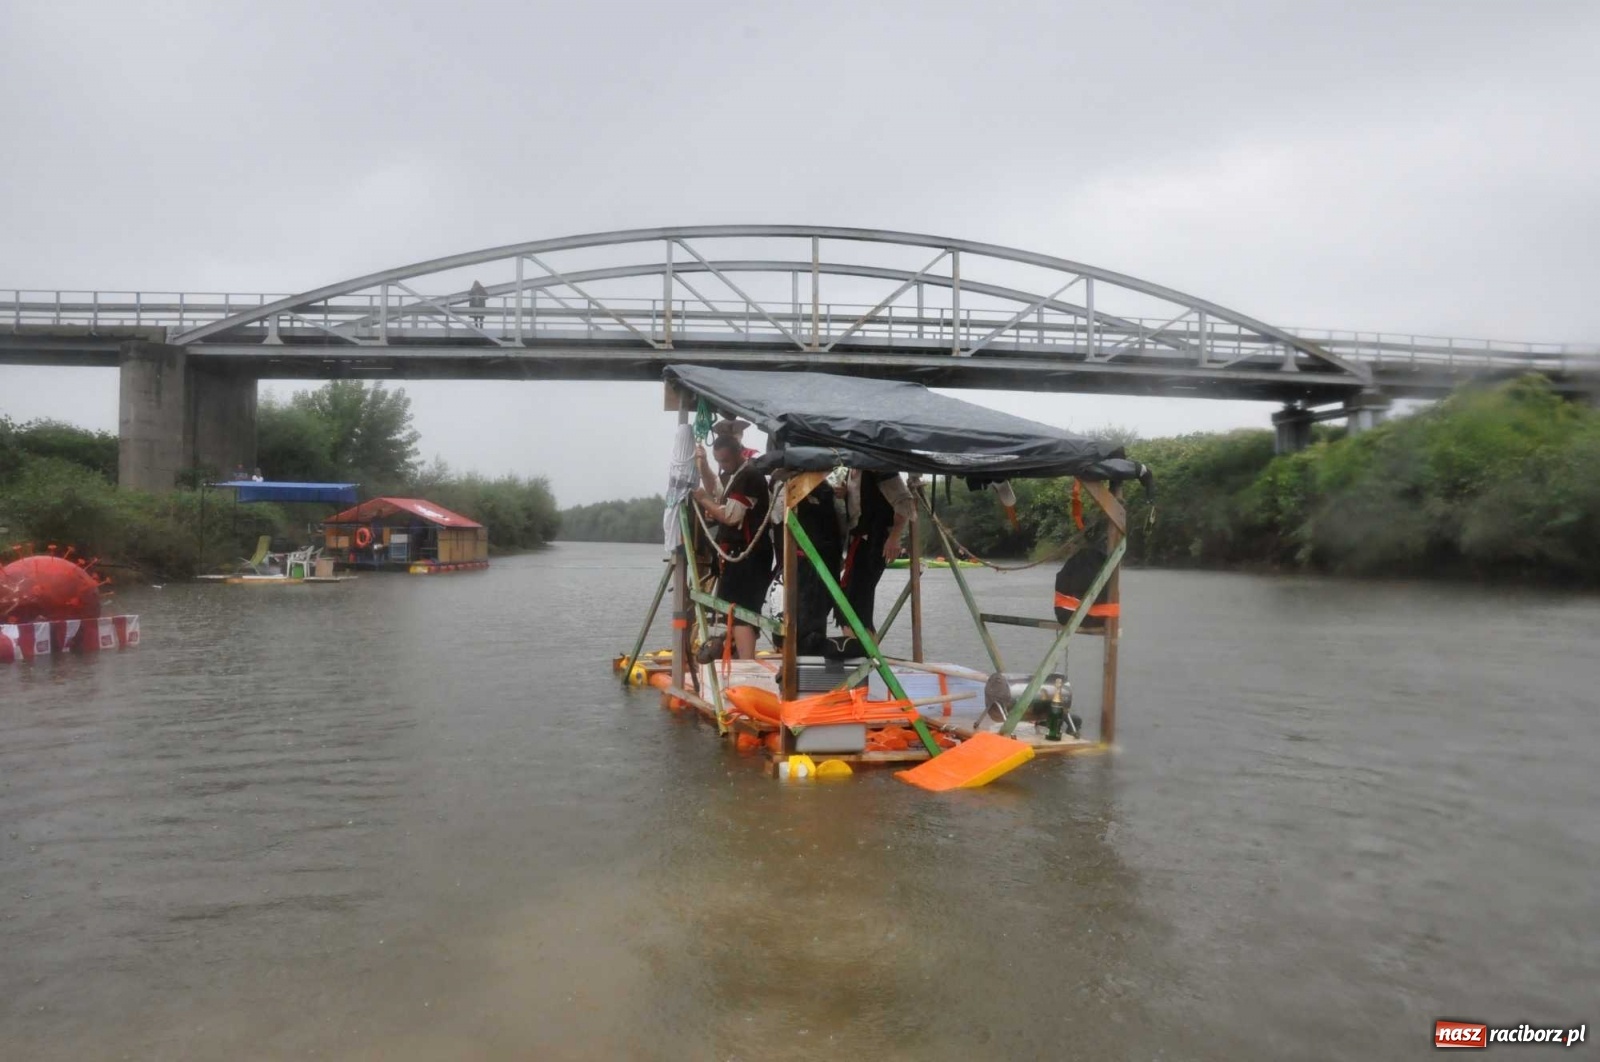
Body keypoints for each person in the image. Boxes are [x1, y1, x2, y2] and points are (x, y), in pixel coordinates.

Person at [693, 434, 773, 660]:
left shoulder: (749, 477)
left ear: (739, 453)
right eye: (718, 462)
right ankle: (740, 656)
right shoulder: (735, 475)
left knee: (742, 611)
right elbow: (717, 489)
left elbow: (731, 516)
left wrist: (702, 499)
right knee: (734, 608)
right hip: (737, 555)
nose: (722, 466)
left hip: (750, 555)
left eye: (725, 461)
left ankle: (746, 663)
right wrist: (705, 466)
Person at [839, 469, 916, 637]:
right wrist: (845, 494)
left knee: (858, 603)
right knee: (847, 602)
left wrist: (894, 537)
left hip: (875, 540)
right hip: (857, 541)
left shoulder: (879, 469)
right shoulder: (850, 472)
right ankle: (861, 653)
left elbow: (904, 501)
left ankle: (866, 655)